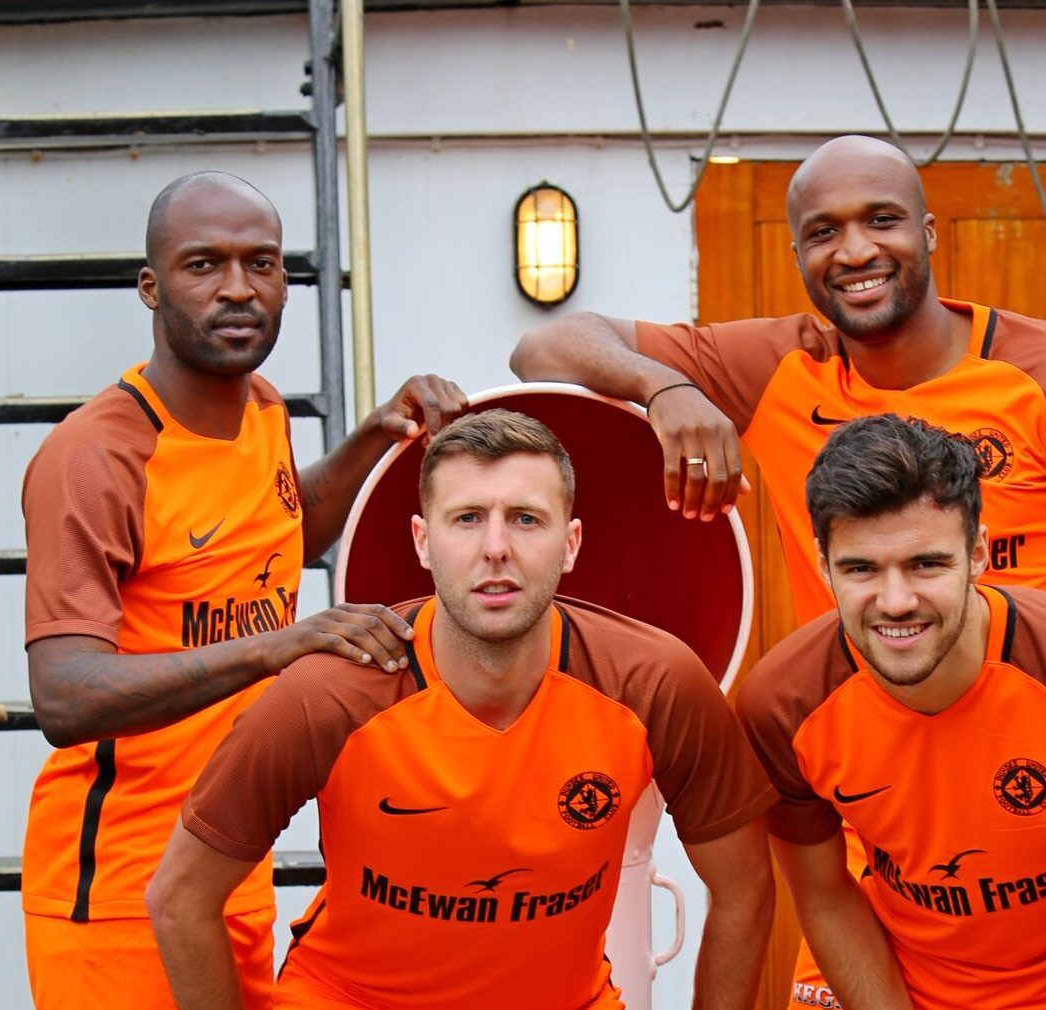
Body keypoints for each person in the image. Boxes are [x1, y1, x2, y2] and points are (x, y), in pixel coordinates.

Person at [509, 134, 1046, 722]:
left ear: (927, 232)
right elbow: (546, 346)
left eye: (881, 220)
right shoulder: (778, 367)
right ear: (797, 250)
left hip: (1041, 768)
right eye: (824, 232)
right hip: (870, 783)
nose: (854, 250)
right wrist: (664, 385)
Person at [146, 409, 778, 1010]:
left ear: (571, 543)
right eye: (468, 518)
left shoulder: (654, 683)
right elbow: (179, 898)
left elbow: (746, 888)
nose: (496, 547)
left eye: (527, 519)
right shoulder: (326, 696)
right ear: (423, 541)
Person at [20, 171, 470, 1009]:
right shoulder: (97, 456)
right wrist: (280, 647)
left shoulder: (262, 408)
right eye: (203, 265)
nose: (237, 288)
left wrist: (378, 432)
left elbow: (280, 535)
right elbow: (64, 697)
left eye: (261, 264)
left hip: (227, 864)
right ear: (151, 288)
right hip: (119, 897)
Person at [736, 415, 1046, 1010]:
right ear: (823, 564)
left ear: (979, 553)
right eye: (861, 569)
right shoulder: (782, 706)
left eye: (926, 564)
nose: (897, 601)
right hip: (905, 986)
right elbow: (826, 896)